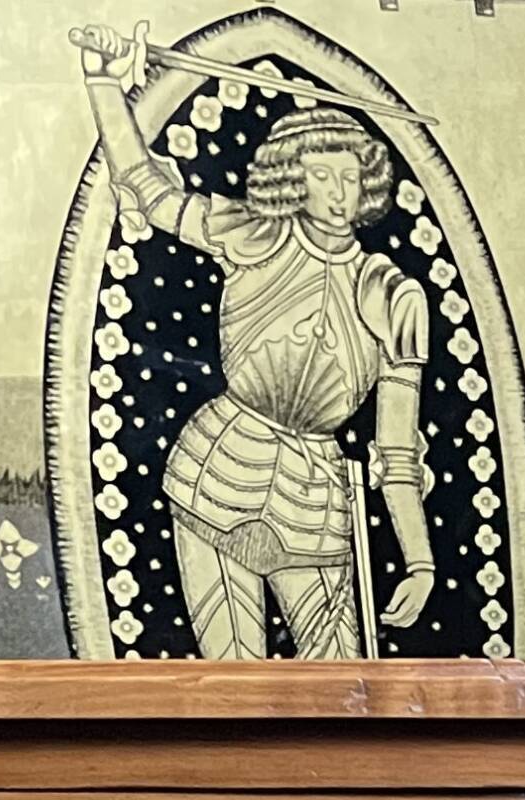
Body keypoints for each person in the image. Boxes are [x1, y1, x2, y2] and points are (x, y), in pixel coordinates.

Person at [73, 21, 437, 657]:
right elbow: (145, 186)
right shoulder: (255, 235)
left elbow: (397, 448)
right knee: (231, 688)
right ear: (293, 178)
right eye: (321, 176)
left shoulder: (393, 293)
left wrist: (421, 559)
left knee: (339, 689)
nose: (337, 192)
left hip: (317, 501)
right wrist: (105, 82)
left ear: (366, 184)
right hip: (215, 473)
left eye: (348, 177)